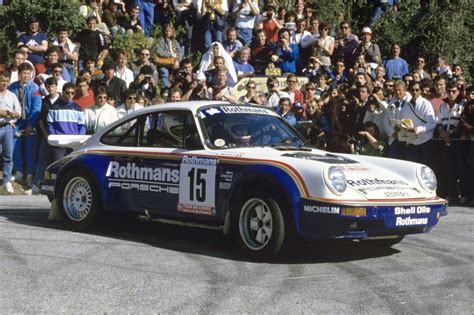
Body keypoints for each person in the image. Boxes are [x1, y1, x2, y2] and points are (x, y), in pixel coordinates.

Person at [8, 62, 42, 188]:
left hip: (30, 122)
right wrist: (10, 121)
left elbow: (36, 107)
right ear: (19, 74)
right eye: (23, 73)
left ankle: (29, 174)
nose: (26, 76)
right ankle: (18, 172)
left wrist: (30, 124)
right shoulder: (12, 87)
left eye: (28, 73)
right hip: (15, 122)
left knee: (30, 149)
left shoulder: (35, 89)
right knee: (14, 147)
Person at [436, 81, 468, 204]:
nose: (451, 93)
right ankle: (452, 194)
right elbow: (438, 122)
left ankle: (464, 195)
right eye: (449, 91)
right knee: (448, 169)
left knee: (461, 168)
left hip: (458, 140)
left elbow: (462, 122)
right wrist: (443, 134)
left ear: (458, 92)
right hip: (445, 140)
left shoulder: (463, 104)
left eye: (454, 91)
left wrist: (451, 133)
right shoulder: (443, 106)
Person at [34, 77, 61, 193]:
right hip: (46, 136)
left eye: (53, 86)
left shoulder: (62, 100)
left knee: (58, 161)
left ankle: (57, 185)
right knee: (42, 160)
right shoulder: (44, 101)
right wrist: (45, 134)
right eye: (48, 87)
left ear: (56, 86)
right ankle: (37, 184)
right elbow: (40, 120)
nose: (50, 89)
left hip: (60, 136)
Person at [47, 83, 86, 161]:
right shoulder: (54, 107)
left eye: (72, 93)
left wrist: (79, 139)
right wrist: (55, 137)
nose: (70, 95)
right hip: (59, 143)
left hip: (74, 143)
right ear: (63, 92)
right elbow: (49, 124)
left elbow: (82, 126)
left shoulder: (78, 108)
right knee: (58, 166)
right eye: (68, 93)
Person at [0, 70, 21, 194]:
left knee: (8, 155)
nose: (4, 83)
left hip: (8, 127)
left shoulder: (12, 96)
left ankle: (7, 180)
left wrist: (13, 114)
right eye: (2, 80)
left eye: (6, 81)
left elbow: (18, 112)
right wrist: (6, 113)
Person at [383, 80, 412, 160]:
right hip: (394, 139)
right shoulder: (391, 102)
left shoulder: (411, 101)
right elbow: (386, 121)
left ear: (405, 89)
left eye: (400, 90)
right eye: (395, 90)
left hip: (408, 139)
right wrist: (393, 134)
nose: (397, 92)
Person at [155, 24, 184, 97]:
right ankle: (166, 89)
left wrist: (177, 60)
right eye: (166, 31)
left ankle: (178, 90)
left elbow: (180, 52)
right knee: (164, 72)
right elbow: (159, 51)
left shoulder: (174, 41)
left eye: (169, 31)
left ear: (172, 32)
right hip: (164, 63)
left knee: (182, 72)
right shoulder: (161, 40)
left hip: (174, 63)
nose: (167, 32)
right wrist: (169, 54)